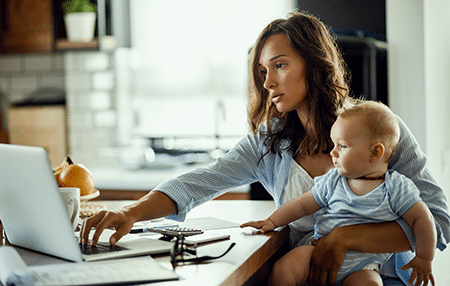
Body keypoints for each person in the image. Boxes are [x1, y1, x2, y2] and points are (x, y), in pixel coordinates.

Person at [81, 11, 450, 286]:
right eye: (262, 70)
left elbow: (439, 222)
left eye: (281, 65)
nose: (269, 82)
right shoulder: (269, 142)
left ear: (316, 64)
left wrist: (345, 237)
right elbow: (198, 183)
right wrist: (131, 212)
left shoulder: (379, 133)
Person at [241, 101, 436, 286]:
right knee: (284, 268)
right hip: (317, 251)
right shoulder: (334, 180)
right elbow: (302, 205)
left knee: (371, 283)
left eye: (342, 146)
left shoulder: (396, 188)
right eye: (333, 144)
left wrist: (424, 258)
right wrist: (272, 221)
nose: (333, 153)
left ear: (375, 153)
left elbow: (423, 219)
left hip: (363, 266)